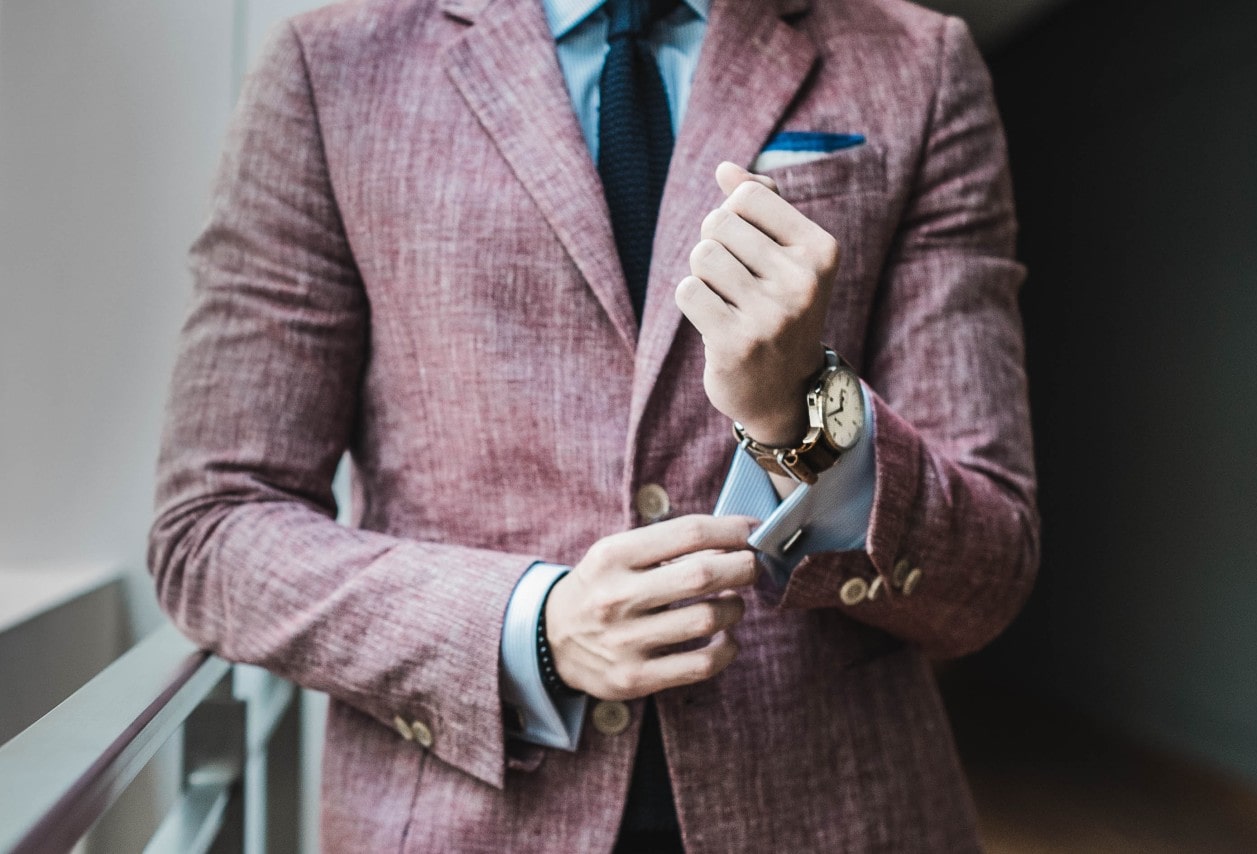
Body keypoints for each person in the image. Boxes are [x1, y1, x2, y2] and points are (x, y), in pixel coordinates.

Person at [148, 0, 1038, 849]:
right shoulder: (332, 67)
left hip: (834, 814)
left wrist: (799, 411)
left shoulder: (918, 65)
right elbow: (214, 531)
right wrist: (528, 626)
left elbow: (988, 576)